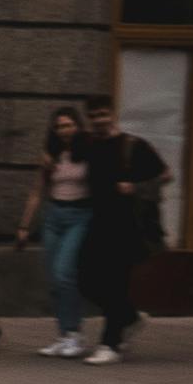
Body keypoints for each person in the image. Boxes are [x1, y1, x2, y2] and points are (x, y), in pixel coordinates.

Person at [73, 97, 171, 363]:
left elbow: (166, 175)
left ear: (113, 115)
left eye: (103, 114)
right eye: (93, 116)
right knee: (85, 280)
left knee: (115, 282)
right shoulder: (90, 145)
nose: (98, 120)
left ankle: (110, 344)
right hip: (98, 222)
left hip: (127, 225)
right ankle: (129, 317)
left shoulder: (133, 146)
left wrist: (136, 187)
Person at [21, 106, 96, 358]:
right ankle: (63, 335)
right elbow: (36, 192)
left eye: (68, 125)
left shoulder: (88, 151)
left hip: (80, 215)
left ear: (77, 126)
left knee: (65, 274)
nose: (64, 130)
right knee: (54, 279)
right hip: (54, 216)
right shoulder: (50, 155)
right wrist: (24, 225)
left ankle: (75, 334)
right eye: (59, 126)